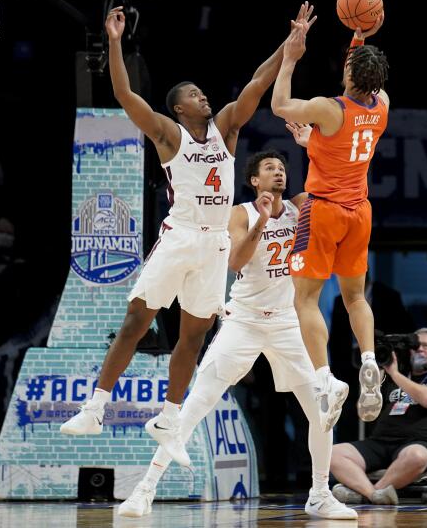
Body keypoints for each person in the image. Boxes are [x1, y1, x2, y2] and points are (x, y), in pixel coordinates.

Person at [60, 3, 312, 467]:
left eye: (202, 92)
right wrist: (115, 43)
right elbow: (123, 94)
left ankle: (170, 421)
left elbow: (257, 83)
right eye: (194, 94)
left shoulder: (227, 129)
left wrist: (288, 45)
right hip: (180, 236)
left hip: (216, 242)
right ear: (179, 106)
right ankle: (95, 406)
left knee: (193, 337)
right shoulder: (168, 135)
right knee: (137, 319)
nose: (204, 97)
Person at [117, 150, 357, 520]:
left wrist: (313, 143)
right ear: (254, 181)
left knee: (322, 410)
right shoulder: (239, 213)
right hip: (243, 320)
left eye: (281, 167)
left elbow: (331, 189)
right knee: (196, 403)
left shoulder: (299, 206)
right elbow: (235, 262)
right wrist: (262, 221)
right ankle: (144, 489)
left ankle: (320, 494)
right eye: (269, 168)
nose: (278, 171)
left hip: (289, 322)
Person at [271, 4, 389, 431]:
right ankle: (370, 358)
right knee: (356, 297)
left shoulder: (327, 108)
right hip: (359, 211)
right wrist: (359, 36)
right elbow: (339, 145)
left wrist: (290, 57)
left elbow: (280, 104)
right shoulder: (382, 107)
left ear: (351, 76)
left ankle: (324, 379)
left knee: (304, 298)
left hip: (322, 211)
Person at [330, 328, 427, 505]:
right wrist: (377, 369)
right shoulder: (395, 377)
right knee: (334, 453)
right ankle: (375, 495)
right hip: (381, 442)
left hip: (420, 443)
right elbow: (366, 412)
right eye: (416, 345)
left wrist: (395, 374)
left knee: (417, 456)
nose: (420, 349)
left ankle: (370, 493)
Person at [330, 271, 416, 442]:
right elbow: (336, 339)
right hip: (349, 366)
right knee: (348, 412)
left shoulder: (389, 295)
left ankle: (377, 448)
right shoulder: (340, 300)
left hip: (381, 361)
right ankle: (349, 451)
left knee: (380, 409)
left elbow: (404, 328)